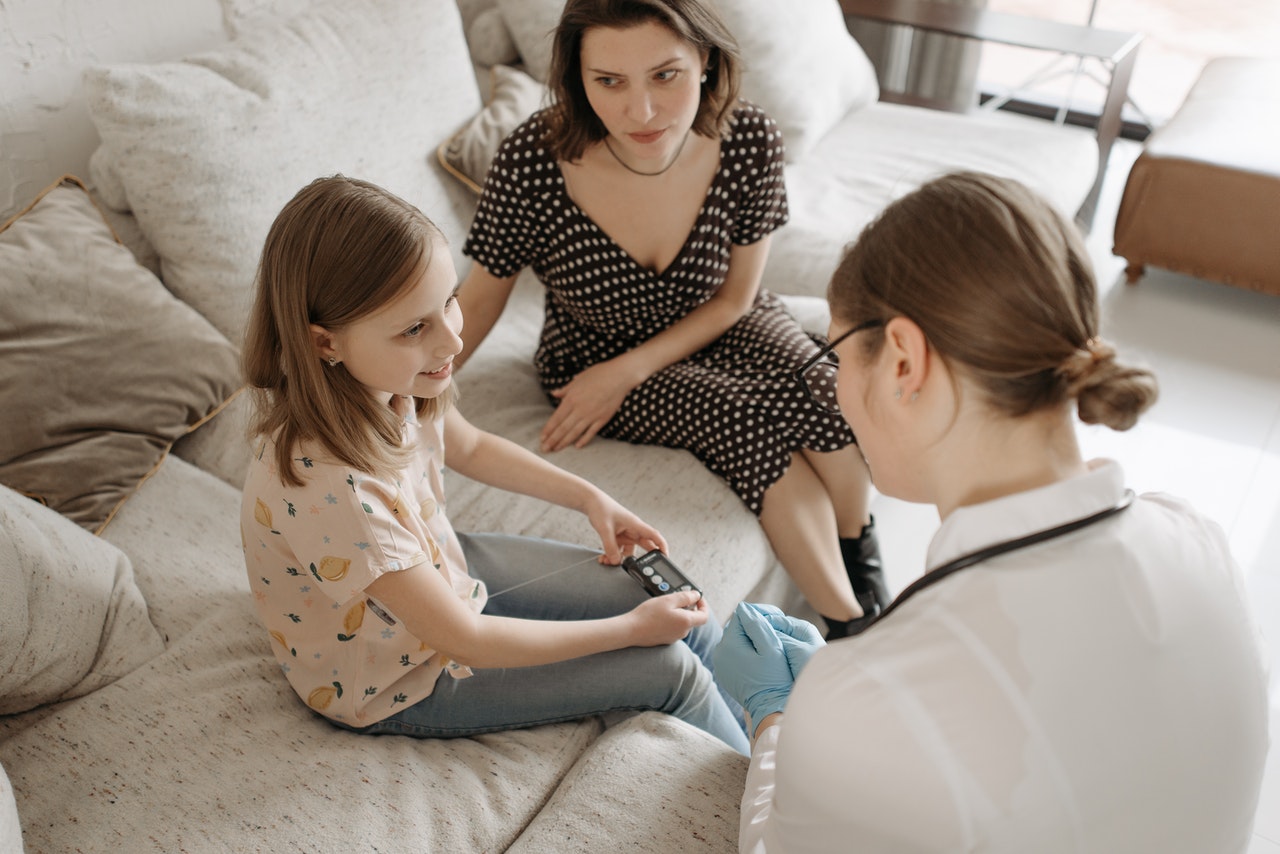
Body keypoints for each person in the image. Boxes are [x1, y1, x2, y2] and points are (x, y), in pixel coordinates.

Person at [714, 172, 1271, 851]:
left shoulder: (868, 693)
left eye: (834, 359)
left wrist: (778, 720)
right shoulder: (1197, 540)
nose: (835, 395)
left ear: (902, 361)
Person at [239, 174, 748, 755]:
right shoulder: (329, 488)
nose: (452, 342)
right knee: (669, 667)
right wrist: (632, 633)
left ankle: (775, 735)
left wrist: (590, 498)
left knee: (672, 598)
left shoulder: (398, 381)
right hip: (398, 681)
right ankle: (773, 806)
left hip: (434, 571)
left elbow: (470, 446)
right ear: (325, 343)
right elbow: (466, 639)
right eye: (414, 328)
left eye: (449, 301)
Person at [455, 0, 886, 639]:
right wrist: (390, 380)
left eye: (666, 75)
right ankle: (853, 629)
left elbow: (738, 297)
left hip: (724, 320)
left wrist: (634, 368)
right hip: (591, 359)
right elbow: (480, 298)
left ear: (706, 61)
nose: (644, 111)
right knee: (742, 421)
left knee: (828, 395)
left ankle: (863, 553)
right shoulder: (533, 160)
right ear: (578, 76)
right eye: (610, 82)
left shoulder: (748, 140)